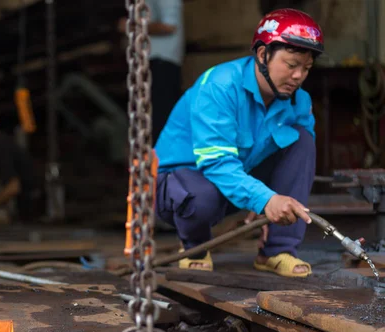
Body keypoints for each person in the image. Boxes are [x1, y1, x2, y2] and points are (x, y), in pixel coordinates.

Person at [154, 9, 323, 278]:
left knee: (302, 142)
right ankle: (194, 246)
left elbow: (298, 165)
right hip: (178, 185)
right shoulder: (219, 87)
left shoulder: (298, 100)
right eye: (291, 65)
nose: (298, 76)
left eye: (306, 68)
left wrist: (269, 200)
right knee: (201, 195)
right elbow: (217, 164)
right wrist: (265, 199)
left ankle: (278, 250)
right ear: (262, 55)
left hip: (234, 179)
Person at [119, 0, 184, 145]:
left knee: (160, 121)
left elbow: (169, 26)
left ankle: (162, 164)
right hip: (153, 63)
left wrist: (132, 26)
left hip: (163, 63)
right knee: (150, 122)